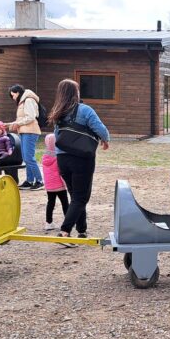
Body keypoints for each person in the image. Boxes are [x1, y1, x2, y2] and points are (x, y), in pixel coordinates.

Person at [49, 78, 111, 239]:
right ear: (75, 92)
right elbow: (101, 129)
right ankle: (65, 231)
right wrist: (105, 140)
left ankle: (82, 229)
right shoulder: (85, 110)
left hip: (63, 158)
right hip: (82, 158)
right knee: (81, 196)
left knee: (75, 195)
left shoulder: (57, 112)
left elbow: (57, 136)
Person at [8, 84, 44, 190]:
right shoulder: (22, 101)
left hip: (31, 131)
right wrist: (9, 124)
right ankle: (29, 180)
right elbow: (22, 119)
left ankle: (39, 181)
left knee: (29, 157)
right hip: (25, 132)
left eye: (13, 95)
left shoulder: (28, 100)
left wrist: (17, 124)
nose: (13, 98)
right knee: (26, 158)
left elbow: (30, 117)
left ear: (18, 93)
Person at [40, 133, 68, 232]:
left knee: (50, 203)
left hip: (49, 186)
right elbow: (62, 171)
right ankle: (68, 222)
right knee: (65, 203)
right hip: (59, 185)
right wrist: (66, 183)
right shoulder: (59, 157)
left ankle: (48, 223)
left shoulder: (45, 157)